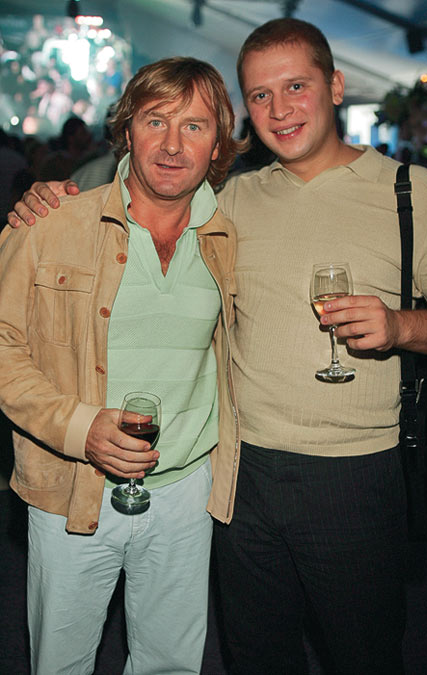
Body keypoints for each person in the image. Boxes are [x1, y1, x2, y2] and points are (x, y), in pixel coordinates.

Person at [8, 18, 427, 675]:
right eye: (261, 94)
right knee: (243, 654)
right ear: (127, 130)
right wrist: (41, 198)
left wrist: (400, 326)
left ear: (335, 86)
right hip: (210, 478)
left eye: (296, 86)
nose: (280, 108)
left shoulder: (394, 194)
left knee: (353, 652)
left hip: (305, 478)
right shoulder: (210, 206)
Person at [0, 56, 245, 675]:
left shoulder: (231, 238)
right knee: (61, 663)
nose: (172, 144)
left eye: (194, 126)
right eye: (155, 120)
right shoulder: (51, 223)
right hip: (72, 490)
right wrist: (79, 427)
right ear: (127, 130)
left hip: (187, 494)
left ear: (218, 144)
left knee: (171, 664)